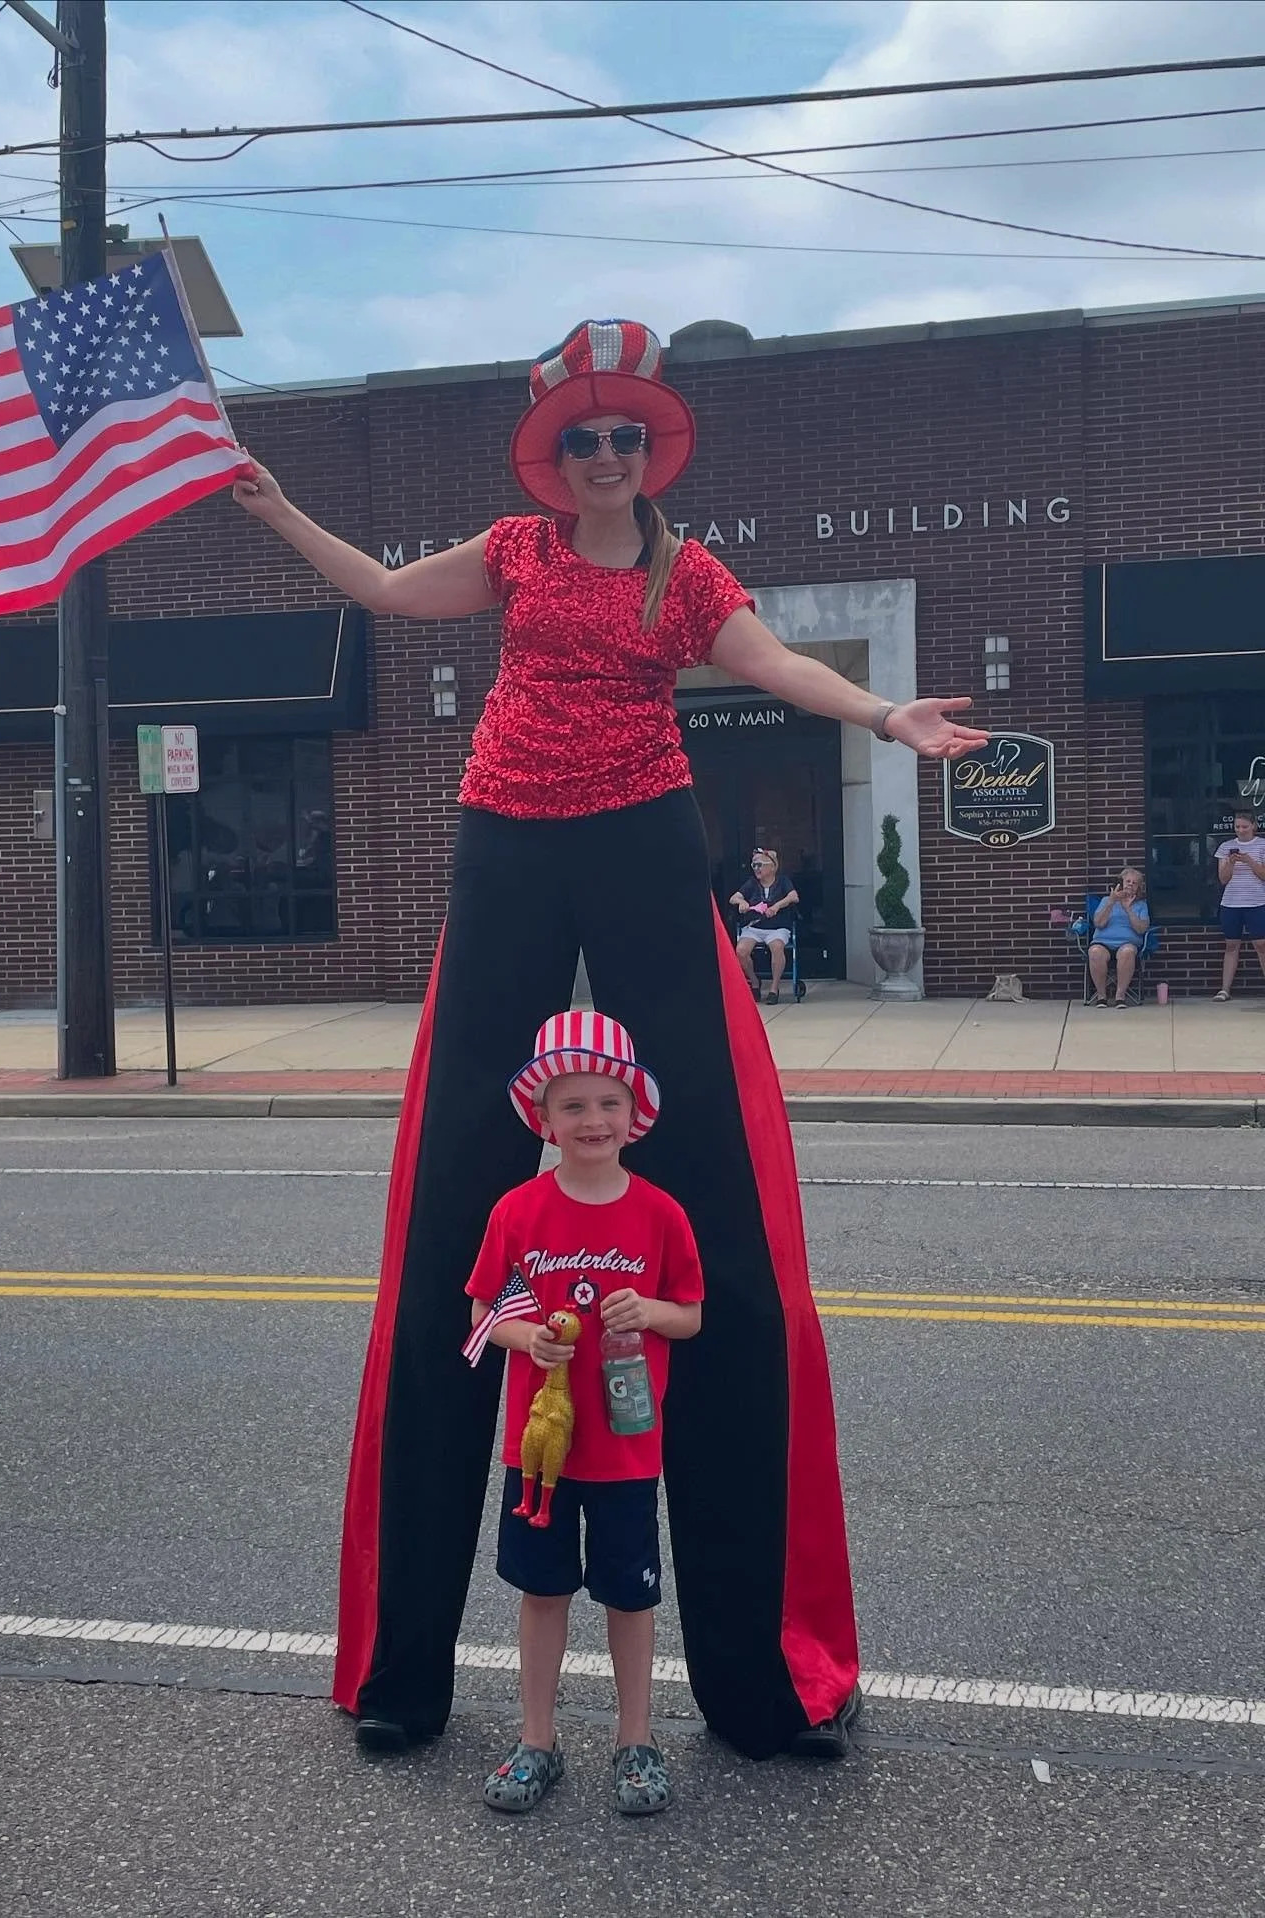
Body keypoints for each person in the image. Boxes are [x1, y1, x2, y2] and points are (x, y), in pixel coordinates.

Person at [232, 316, 987, 1764]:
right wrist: (277, 511)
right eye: (581, 437)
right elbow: (390, 594)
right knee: (455, 1204)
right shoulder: (516, 550)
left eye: (623, 436)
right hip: (507, 844)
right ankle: (402, 1670)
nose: (602, 455)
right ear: (554, 454)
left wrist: (887, 712)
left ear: (650, 451)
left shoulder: (684, 575)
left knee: (724, 1227)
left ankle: (761, 1681)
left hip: (646, 842)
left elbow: (776, 666)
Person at [467, 1012, 703, 1817]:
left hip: (629, 1448)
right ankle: (538, 1740)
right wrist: (526, 1334)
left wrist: (650, 1313)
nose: (593, 1121)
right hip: (540, 1452)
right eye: (572, 1106)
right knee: (541, 1593)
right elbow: (482, 1316)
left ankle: (634, 1739)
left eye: (608, 1103)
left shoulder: (661, 1214)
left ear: (634, 1116)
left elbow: (693, 1314)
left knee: (629, 1596)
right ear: (543, 1119)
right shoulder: (518, 1212)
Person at [728, 849, 799, 1003]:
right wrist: (742, 902)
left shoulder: (783, 881)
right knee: (741, 951)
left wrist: (777, 906)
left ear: (772, 867)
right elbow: (734, 897)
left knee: (777, 947)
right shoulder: (752, 883)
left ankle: (774, 988)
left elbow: (793, 896)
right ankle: (754, 982)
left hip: (777, 927)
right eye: (754, 865)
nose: (756, 869)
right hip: (754, 926)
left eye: (760, 865)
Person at [1213, 808, 1265, 1000]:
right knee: (1231, 945)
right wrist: (1231, 863)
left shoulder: (1262, 845)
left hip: (1257, 901)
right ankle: (1225, 989)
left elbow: (1263, 875)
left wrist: (1249, 860)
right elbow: (1223, 879)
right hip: (1231, 902)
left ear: (1253, 826)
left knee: (1261, 944)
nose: (1241, 830)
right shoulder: (1226, 847)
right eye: (1237, 826)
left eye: (1244, 826)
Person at [1087, 867, 1150, 1007]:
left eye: (1134, 883)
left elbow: (1141, 929)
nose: (1130, 885)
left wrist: (1128, 909)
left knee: (1127, 952)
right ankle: (1101, 996)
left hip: (1128, 944)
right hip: (1102, 942)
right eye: (1128, 881)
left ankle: (1120, 996)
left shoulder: (1141, 905)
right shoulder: (1106, 901)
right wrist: (1111, 902)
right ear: (1121, 883)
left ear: (1138, 888)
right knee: (1095, 952)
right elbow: (1098, 923)